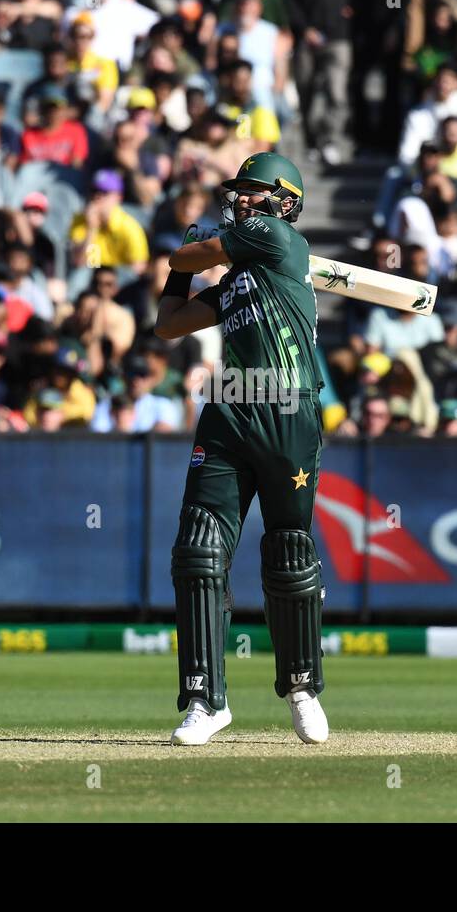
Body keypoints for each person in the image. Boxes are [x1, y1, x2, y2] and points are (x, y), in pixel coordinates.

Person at [153, 152, 328, 746]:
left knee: (289, 552)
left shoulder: (277, 236)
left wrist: (190, 248)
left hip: (288, 405)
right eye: (239, 191)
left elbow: (187, 255)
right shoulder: (236, 282)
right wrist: (186, 266)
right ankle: (205, 700)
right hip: (230, 403)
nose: (242, 198)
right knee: (198, 552)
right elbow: (169, 323)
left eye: (253, 190)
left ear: (285, 199)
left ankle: (301, 687)